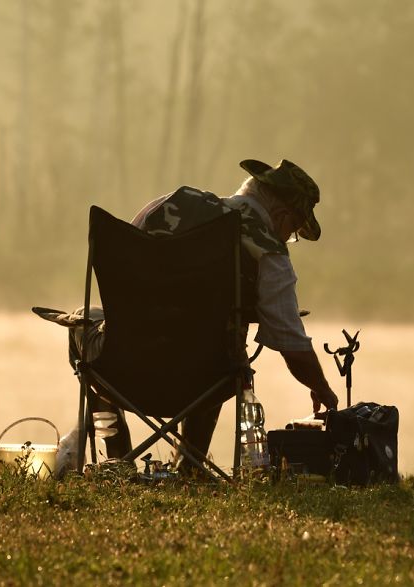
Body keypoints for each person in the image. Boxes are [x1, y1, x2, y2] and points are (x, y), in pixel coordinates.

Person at [62, 158, 339, 470]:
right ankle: (190, 466)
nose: (289, 239)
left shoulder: (164, 205)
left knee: (84, 317)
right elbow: (292, 344)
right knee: (222, 338)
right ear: (282, 214)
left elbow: (124, 290)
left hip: (122, 371)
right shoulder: (269, 253)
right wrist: (321, 387)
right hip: (205, 381)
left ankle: (117, 458)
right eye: (293, 232)